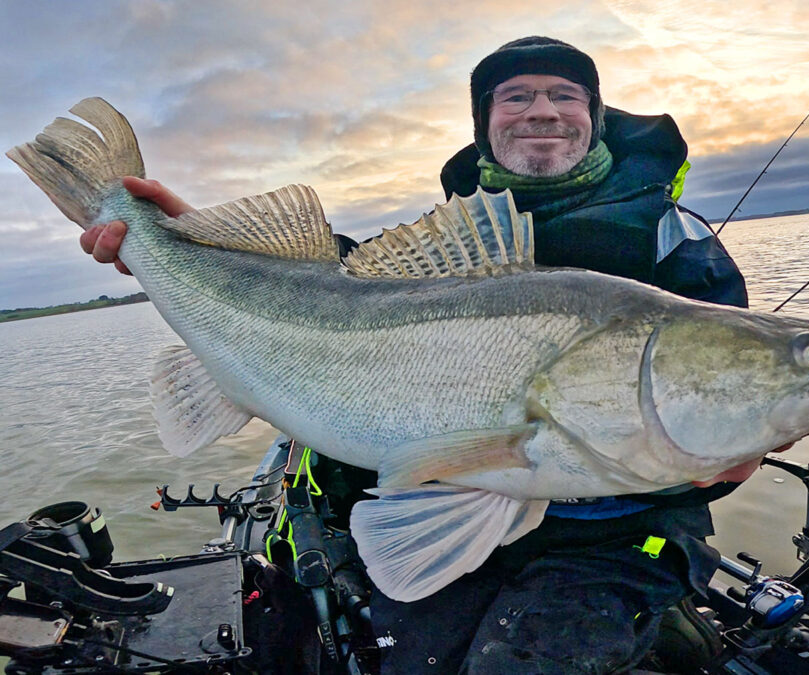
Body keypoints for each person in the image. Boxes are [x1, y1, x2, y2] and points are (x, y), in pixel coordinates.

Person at [82, 36, 761, 674]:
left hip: (617, 536)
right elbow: (328, 281)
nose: (543, 111)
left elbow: (726, 411)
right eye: (515, 96)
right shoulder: (450, 244)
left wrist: (739, 452)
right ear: (484, 122)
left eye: (565, 94)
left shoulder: (679, 248)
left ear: (595, 115)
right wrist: (180, 237)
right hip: (460, 511)